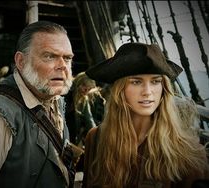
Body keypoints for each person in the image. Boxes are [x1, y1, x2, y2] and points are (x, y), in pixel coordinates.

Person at [82, 42, 209, 188]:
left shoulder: (187, 153)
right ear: (119, 90)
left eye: (155, 81)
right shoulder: (96, 138)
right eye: (136, 82)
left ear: (164, 88)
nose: (147, 91)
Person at [0, 21, 76, 188]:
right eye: (49, 56)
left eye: (67, 58)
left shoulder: (54, 97)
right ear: (21, 61)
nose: (63, 66)